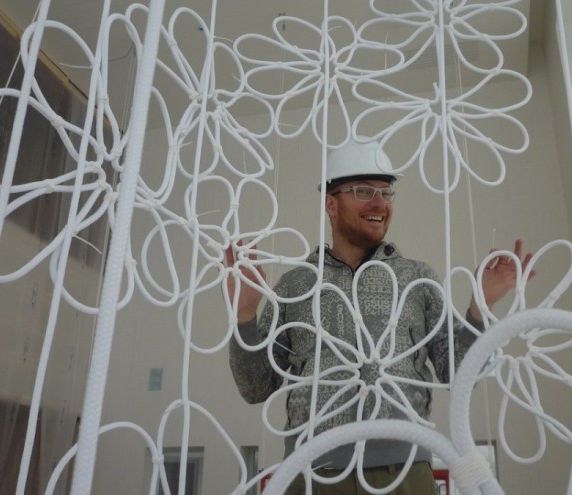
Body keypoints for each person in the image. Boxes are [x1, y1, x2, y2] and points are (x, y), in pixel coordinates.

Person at [227, 139, 532, 494]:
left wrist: (481, 307)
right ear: (331, 204)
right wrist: (244, 314)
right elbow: (255, 387)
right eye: (363, 191)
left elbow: (459, 373)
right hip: (312, 471)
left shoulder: (417, 279)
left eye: (387, 193)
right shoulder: (296, 284)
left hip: (404, 473)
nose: (380, 203)